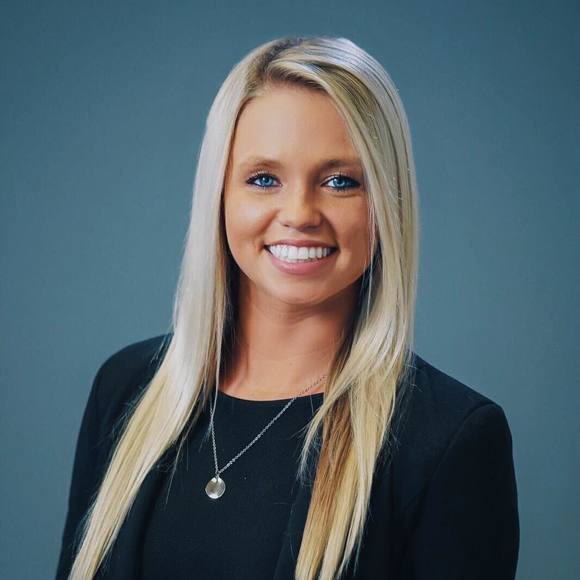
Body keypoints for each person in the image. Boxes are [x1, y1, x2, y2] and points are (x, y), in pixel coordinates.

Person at [55, 35, 519, 580]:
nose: (299, 213)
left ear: (385, 203)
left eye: (340, 181)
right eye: (264, 179)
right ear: (219, 194)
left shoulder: (448, 439)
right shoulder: (127, 390)